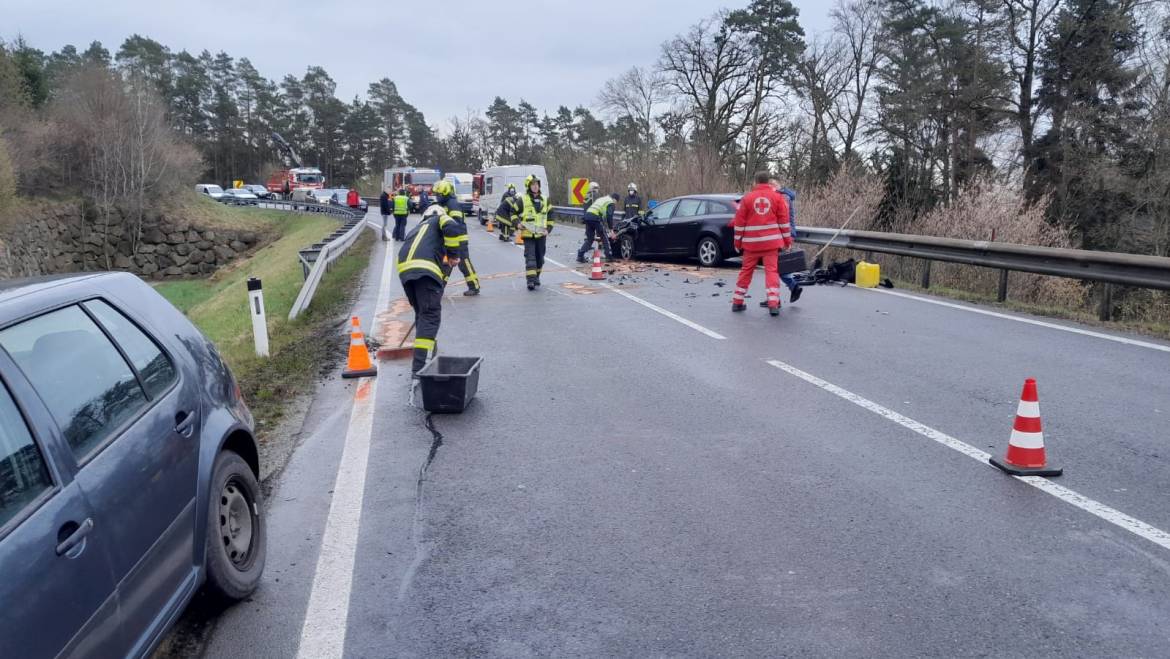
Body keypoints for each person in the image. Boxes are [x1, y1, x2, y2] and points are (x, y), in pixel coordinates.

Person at [397, 205, 466, 374]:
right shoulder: (440, 218)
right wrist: (453, 255)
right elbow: (452, 227)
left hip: (406, 272)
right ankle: (420, 370)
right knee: (430, 317)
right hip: (424, 270)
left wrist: (445, 266)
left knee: (422, 314)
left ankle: (428, 355)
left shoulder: (417, 229)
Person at [732, 171, 792, 316]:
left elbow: (739, 224)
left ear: (756, 182)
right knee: (771, 271)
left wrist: (737, 242)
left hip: (751, 244)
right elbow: (784, 222)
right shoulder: (777, 198)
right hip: (771, 244)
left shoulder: (747, 199)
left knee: (746, 271)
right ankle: (773, 304)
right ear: (768, 181)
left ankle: (737, 302)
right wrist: (787, 241)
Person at [430, 179, 480, 296]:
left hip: (459, 240)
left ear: (446, 193)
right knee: (446, 264)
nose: (437, 197)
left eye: (439, 195)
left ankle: (474, 286)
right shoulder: (446, 204)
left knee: (463, 263)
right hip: (450, 240)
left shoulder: (452, 205)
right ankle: (439, 287)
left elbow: (455, 224)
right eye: (436, 194)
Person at [761, 181, 803, 305]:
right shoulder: (785, 196)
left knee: (774, 268)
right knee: (777, 267)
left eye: (771, 186)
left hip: (781, 236)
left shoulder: (782, 197)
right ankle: (777, 296)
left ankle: (785, 291)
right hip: (784, 235)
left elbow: (781, 218)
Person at [519, 174, 553, 290]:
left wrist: (548, 230)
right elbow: (512, 212)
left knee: (540, 258)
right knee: (530, 258)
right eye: (533, 184)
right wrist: (517, 224)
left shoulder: (545, 199)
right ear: (528, 186)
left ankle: (536, 277)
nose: (535, 186)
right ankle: (530, 281)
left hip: (541, 235)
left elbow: (551, 215)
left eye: (537, 184)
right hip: (528, 234)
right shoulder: (522, 199)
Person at [577, 192, 618, 262]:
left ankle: (580, 256)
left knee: (590, 239)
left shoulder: (602, 199)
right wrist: (611, 229)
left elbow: (600, 212)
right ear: (615, 199)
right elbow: (609, 216)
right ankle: (609, 256)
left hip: (587, 216)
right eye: (616, 202)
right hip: (595, 217)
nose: (616, 203)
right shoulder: (611, 202)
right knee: (604, 236)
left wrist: (603, 225)